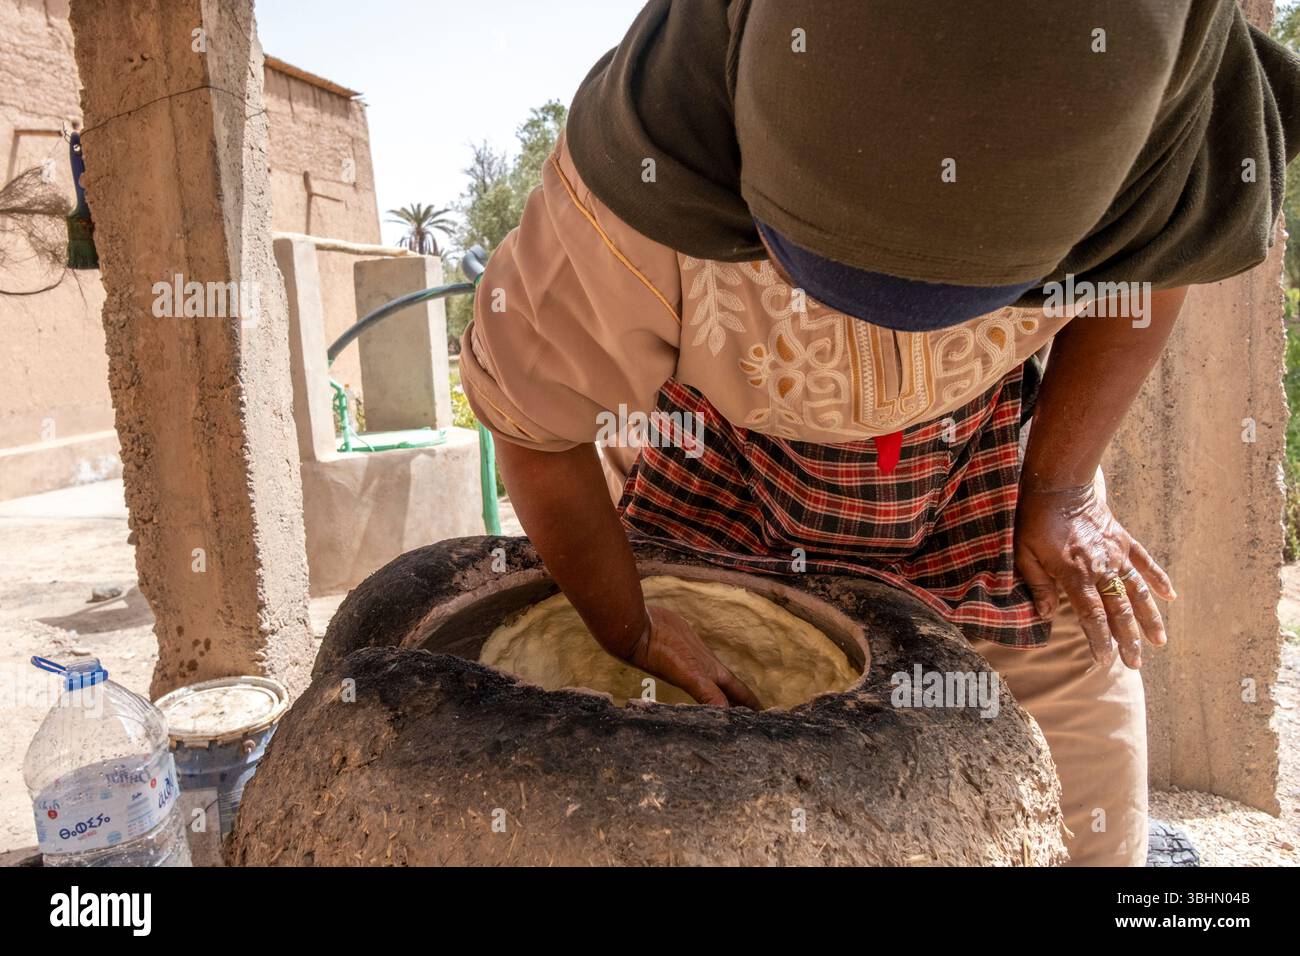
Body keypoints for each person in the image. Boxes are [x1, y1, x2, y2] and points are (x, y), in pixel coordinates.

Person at [459, 0, 1300, 865]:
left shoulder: (1159, 118)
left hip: (982, 480)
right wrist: (628, 626)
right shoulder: (639, 180)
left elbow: (1158, 261)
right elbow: (536, 425)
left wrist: (1060, 488)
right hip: (726, 478)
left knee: (1093, 829)